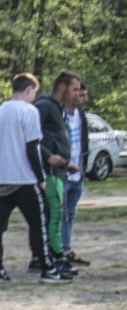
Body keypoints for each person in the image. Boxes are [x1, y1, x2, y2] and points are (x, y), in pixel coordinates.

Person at [0, 74, 53, 284]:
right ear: (29, 89)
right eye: (33, 92)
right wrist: (41, 177)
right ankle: (48, 268)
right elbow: (32, 147)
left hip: (4, 179)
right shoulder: (29, 111)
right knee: (39, 222)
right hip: (24, 178)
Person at [34, 73, 76, 281]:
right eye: (74, 89)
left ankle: (55, 257)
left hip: (60, 171)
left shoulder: (58, 108)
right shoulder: (44, 106)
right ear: (62, 86)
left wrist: (67, 163)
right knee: (54, 214)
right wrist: (48, 157)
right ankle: (54, 259)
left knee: (57, 213)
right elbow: (32, 137)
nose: (76, 94)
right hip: (48, 173)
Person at [54, 72, 90, 266]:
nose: (83, 98)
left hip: (78, 172)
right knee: (59, 214)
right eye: (79, 93)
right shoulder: (58, 114)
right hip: (63, 172)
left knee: (71, 212)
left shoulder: (81, 115)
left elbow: (82, 142)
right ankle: (58, 252)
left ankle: (67, 249)